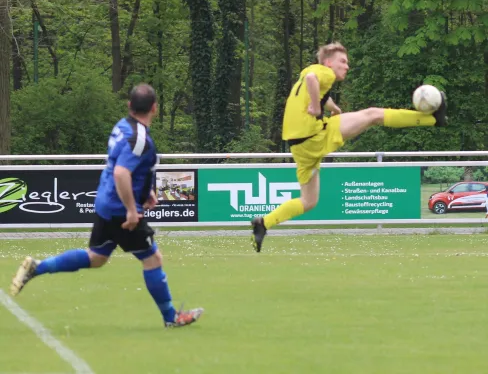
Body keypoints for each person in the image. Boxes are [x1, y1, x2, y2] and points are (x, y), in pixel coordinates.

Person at [11, 84, 203, 328]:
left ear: (129, 106)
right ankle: (171, 317)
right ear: (154, 108)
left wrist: (147, 190)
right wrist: (133, 209)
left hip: (106, 202)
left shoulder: (122, 127)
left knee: (97, 257)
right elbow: (122, 173)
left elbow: (126, 167)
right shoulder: (141, 139)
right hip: (120, 209)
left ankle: (38, 267)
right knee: (153, 259)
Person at [251, 42, 447, 252]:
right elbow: (313, 81)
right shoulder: (324, 72)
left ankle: (263, 223)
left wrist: (330, 106)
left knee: (308, 201)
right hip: (314, 136)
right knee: (372, 115)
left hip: (298, 146)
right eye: (342, 61)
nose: (346, 66)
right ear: (328, 62)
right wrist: (317, 107)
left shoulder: (308, 70)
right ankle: (434, 119)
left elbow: (312, 85)